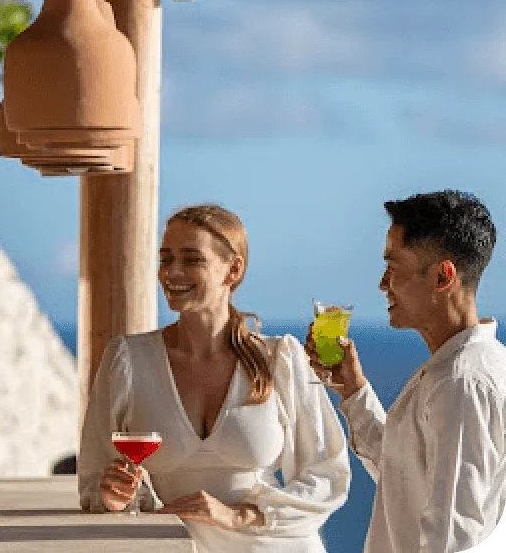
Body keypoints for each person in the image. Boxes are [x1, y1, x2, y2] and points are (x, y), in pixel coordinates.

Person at [79, 204, 351, 552]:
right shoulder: (129, 360)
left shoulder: (279, 358)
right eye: (166, 259)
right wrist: (114, 496)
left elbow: (328, 473)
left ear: (233, 270)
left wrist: (239, 515)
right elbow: (93, 482)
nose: (172, 272)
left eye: (192, 259)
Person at [304, 190, 506, 553]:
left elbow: (452, 536)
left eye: (393, 269)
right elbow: (406, 479)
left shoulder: (461, 382)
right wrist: (353, 390)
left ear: (444, 277)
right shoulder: (460, 369)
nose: (383, 284)